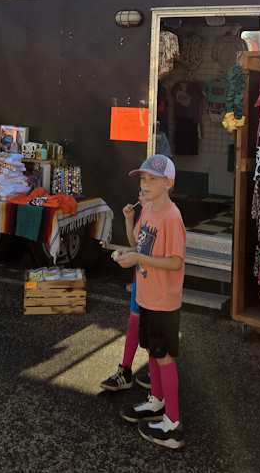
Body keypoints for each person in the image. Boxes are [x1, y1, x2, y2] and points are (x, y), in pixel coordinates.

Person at [116, 154, 187, 450]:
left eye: (152, 179)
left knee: (163, 357)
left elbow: (175, 262)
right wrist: (129, 219)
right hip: (146, 296)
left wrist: (137, 258)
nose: (144, 184)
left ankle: (173, 424)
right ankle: (156, 401)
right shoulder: (145, 209)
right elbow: (138, 242)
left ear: (168, 183)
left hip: (163, 301)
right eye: (143, 179)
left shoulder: (172, 217)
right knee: (153, 353)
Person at [98, 277, 151, 393]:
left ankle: (156, 372)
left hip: (157, 284)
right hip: (142, 279)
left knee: (151, 329)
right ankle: (125, 372)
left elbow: (173, 263)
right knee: (134, 322)